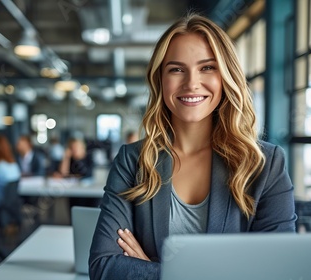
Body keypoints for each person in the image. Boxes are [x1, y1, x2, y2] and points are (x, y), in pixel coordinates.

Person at [89, 14, 297, 280]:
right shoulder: (133, 161)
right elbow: (104, 267)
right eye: (176, 69)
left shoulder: (265, 165)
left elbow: (278, 271)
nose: (191, 83)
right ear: (160, 79)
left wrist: (155, 269)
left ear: (225, 76)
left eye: (207, 68)